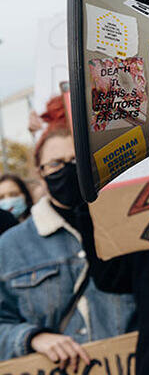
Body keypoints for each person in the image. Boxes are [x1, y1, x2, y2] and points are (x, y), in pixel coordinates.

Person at [0, 124, 135, 369]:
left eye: (76, 160)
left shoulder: (126, 229)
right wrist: (32, 337)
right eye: (55, 164)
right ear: (40, 172)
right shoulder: (10, 246)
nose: (68, 170)